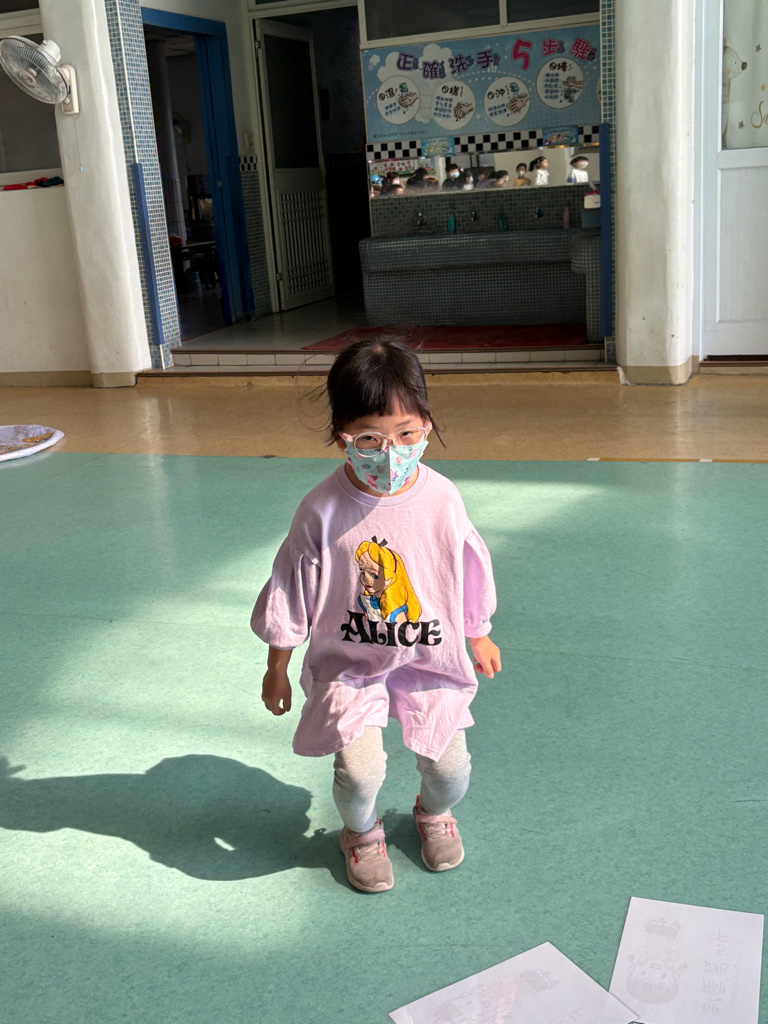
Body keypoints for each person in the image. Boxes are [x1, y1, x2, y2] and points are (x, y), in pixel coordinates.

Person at [252, 339, 501, 894]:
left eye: (407, 434)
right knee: (359, 776)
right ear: (340, 432)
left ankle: (432, 812)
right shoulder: (321, 510)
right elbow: (292, 590)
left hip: (428, 657)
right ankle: (360, 833)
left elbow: (465, 567)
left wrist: (478, 631)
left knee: (450, 772)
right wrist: (276, 666)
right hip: (351, 665)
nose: (390, 453)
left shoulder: (442, 499)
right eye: (369, 438)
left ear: (427, 425)